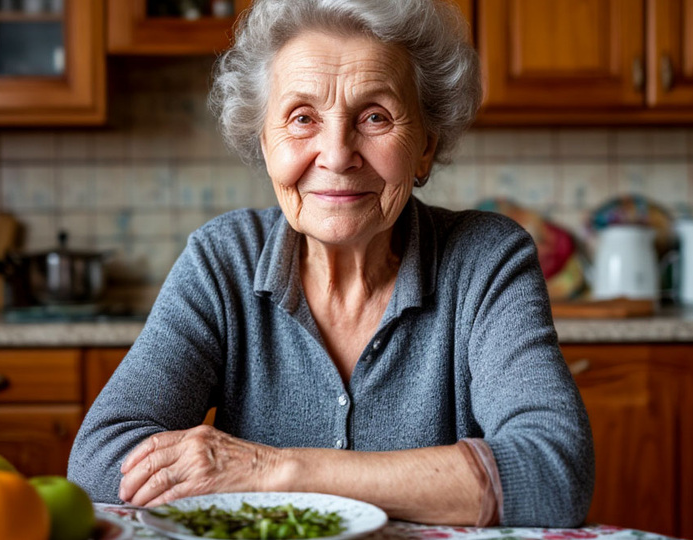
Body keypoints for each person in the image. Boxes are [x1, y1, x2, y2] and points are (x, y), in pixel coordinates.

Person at [68, 0, 593, 527]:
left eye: (375, 117)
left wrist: (277, 471)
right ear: (265, 143)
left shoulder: (487, 259)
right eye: (302, 118)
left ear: (425, 148)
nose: (337, 154)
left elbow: (553, 474)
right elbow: (98, 463)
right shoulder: (221, 261)